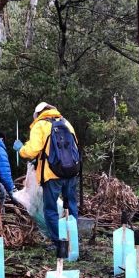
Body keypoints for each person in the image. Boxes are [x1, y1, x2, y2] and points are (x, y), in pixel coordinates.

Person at [14, 102, 81, 245]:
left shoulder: (40, 125)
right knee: (71, 207)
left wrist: (21, 149)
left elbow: (32, 150)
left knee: (50, 210)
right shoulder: (66, 123)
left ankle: (60, 243)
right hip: (70, 171)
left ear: (38, 114)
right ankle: (73, 241)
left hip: (51, 174)